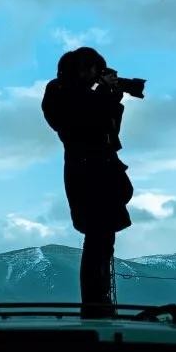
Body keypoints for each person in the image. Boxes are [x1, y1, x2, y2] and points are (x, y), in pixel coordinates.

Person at [41, 47, 134, 317]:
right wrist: (105, 93)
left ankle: (99, 301)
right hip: (87, 173)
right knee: (97, 238)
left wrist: (112, 95)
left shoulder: (87, 95)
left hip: (100, 171)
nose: (97, 76)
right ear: (83, 69)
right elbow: (79, 123)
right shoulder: (59, 91)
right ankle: (95, 303)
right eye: (96, 70)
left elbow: (108, 131)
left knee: (103, 240)